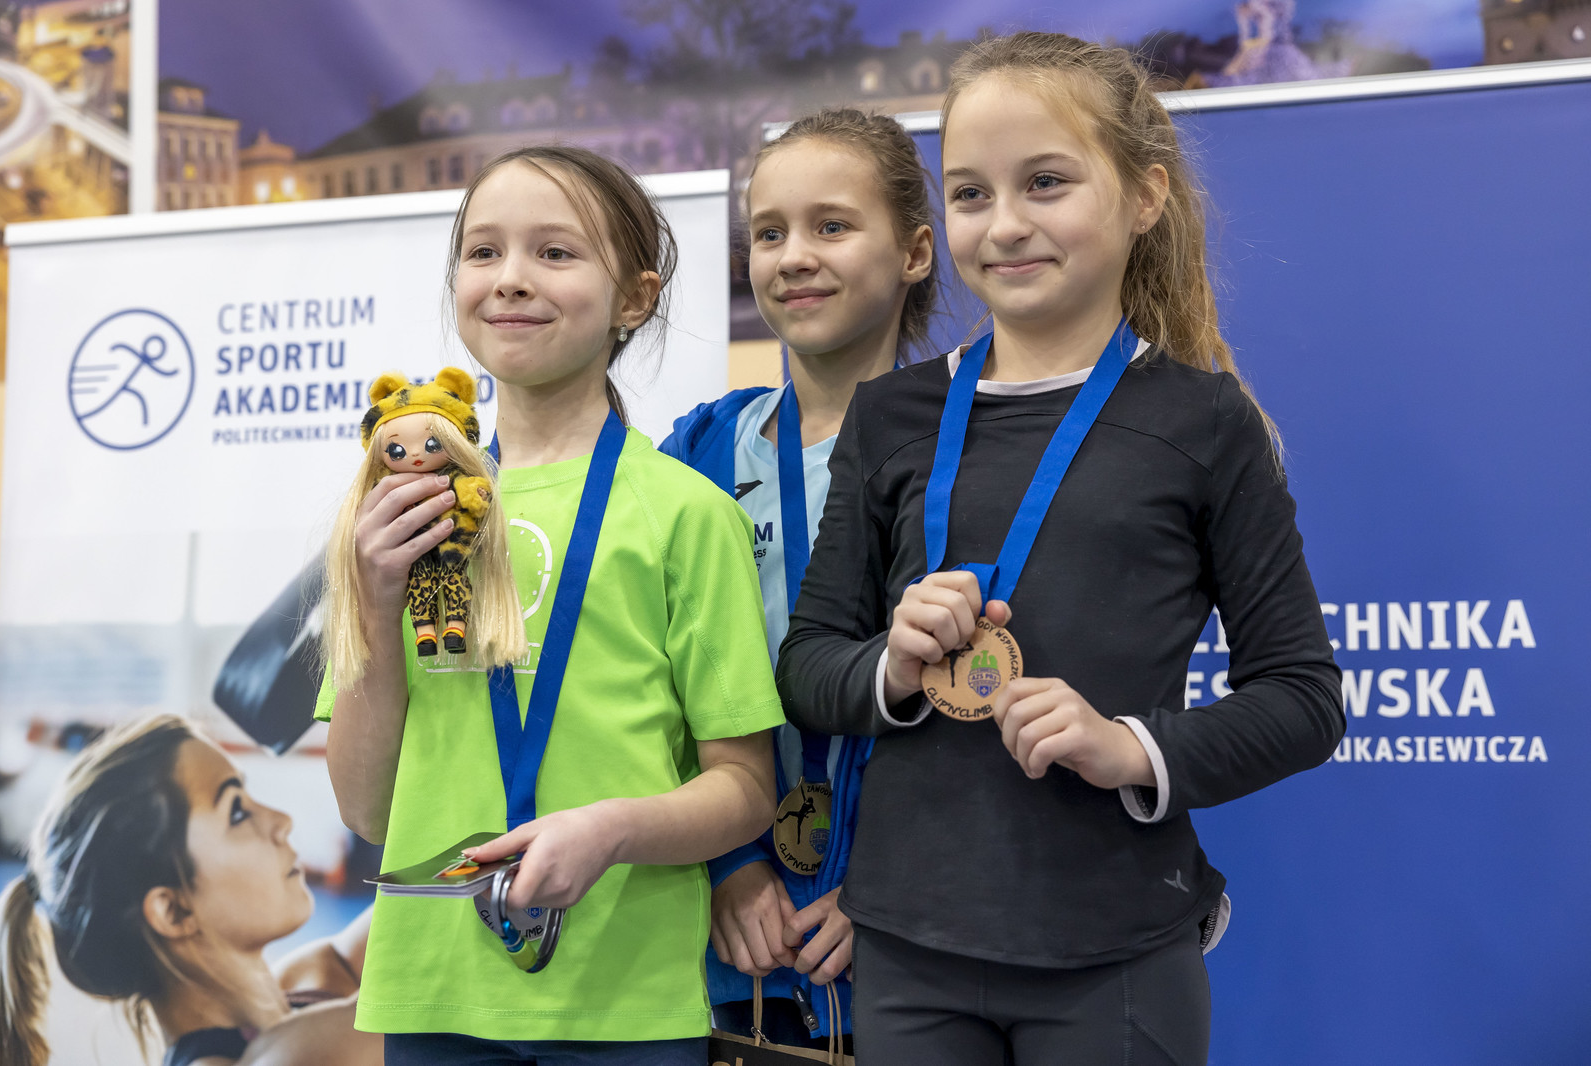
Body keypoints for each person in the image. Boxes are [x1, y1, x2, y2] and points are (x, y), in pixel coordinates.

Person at [776, 32, 1346, 1066]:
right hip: (904, 945)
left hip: (1114, 946)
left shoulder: (1205, 422)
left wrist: (1131, 748)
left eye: (1045, 182)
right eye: (970, 193)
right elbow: (809, 664)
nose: (1004, 224)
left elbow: (1303, 699)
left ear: (1143, 196)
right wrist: (891, 668)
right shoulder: (890, 414)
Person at [317, 144, 784, 1066]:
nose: (511, 279)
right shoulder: (400, 515)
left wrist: (611, 829)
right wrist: (373, 603)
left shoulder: (685, 513)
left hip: (625, 999)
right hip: (434, 989)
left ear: (635, 298)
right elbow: (367, 810)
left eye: (556, 252)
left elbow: (744, 792)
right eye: (483, 252)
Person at [659, 108, 935, 1050]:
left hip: (919, 934)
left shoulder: (969, 446)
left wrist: (889, 882)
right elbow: (655, 686)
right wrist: (727, 862)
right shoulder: (701, 450)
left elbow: (983, 696)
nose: (793, 257)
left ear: (915, 252)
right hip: (742, 938)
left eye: (832, 226)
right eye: (769, 233)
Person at [0, 714, 381, 1066]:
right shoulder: (277, 1058)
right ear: (173, 910)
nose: (282, 822)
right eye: (237, 812)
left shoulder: (310, 983)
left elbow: (410, 911)